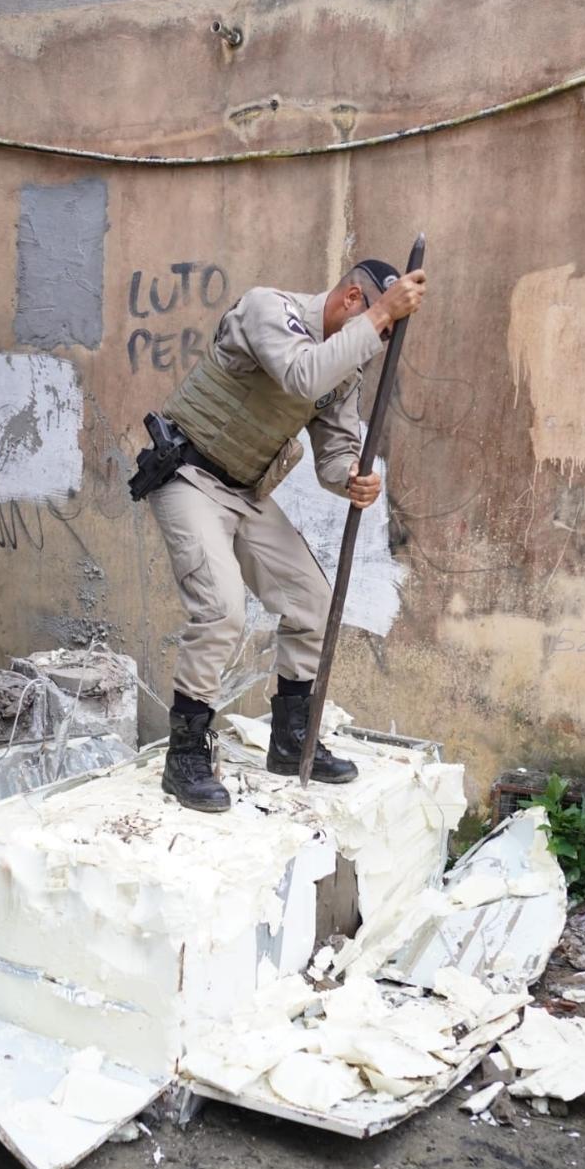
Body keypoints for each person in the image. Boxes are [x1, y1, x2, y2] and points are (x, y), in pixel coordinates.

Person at [147, 258, 426, 812]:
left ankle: (291, 738)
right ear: (351, 300)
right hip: (188, 474)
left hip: (247, 491)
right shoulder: (268, 308)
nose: (378, 339)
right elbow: (302, 374)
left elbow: (334, 455)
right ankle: (185, 757)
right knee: (223, 611)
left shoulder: (344, 369)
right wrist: (379, 319)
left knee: (314, 603)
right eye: (378, 323)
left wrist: (351, 478)